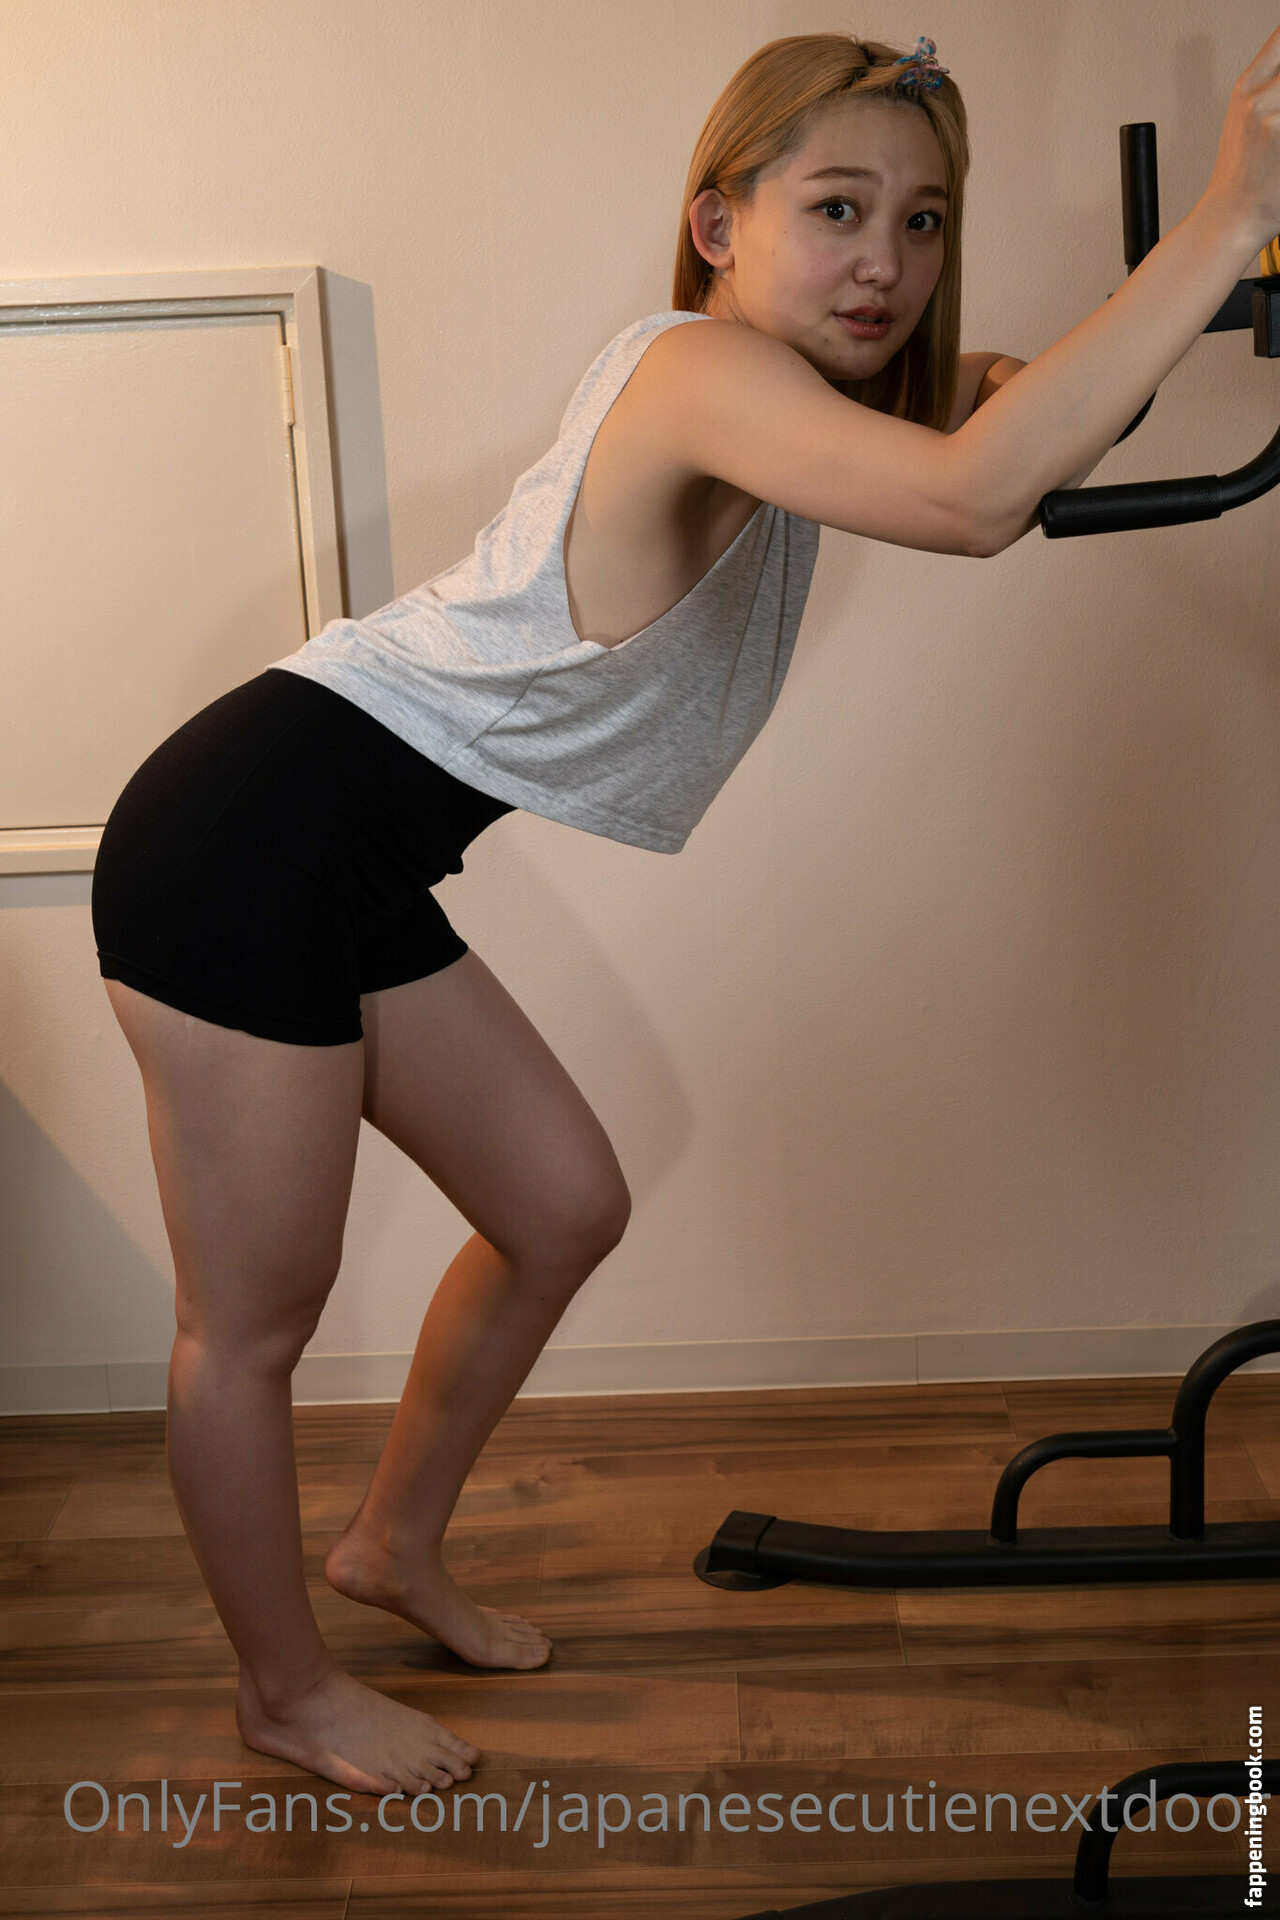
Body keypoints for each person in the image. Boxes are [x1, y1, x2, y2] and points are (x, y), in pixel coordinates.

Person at [91, 26, 1280, 1799]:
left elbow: (1006, 423)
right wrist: (1230, 212)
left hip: (345, 847)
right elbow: (974, 498)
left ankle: (390, 1546)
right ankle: (286, 1691)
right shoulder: (699, 370)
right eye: (837, 208)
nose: (887, 260)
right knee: (251, 1322)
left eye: (924, 221)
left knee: (559, 1203)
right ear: (720, 225)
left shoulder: (798, 397)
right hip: (241, 838)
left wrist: (1127, 338)